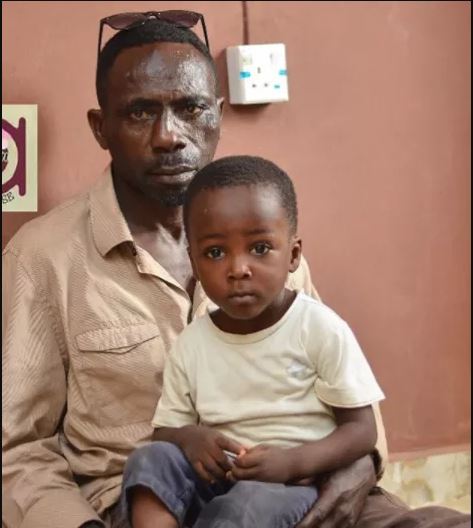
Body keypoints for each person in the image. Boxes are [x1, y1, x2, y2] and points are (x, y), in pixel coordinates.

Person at [1, 11, 469, 528]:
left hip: (298, 489)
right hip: (144, 507)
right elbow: (16, 449)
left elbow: (342, 384)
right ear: (100, 127)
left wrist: (358, 470)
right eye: (139, 114)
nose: (169, 136)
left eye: (190, 108)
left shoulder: (269, 243)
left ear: (217, 116)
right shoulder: (43, 258)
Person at [120, 155, 386, 528]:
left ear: (293, 255)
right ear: (194, 263)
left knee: (244, 506)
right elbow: (165, 430)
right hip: (220, 478)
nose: (238, 269)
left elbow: (362, 431)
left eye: (259, 248)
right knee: (148, 461)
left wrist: (292, 462)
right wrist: (192, 438)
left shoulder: (319, 328)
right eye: (215, 253)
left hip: (290, 484)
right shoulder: (192, 343)